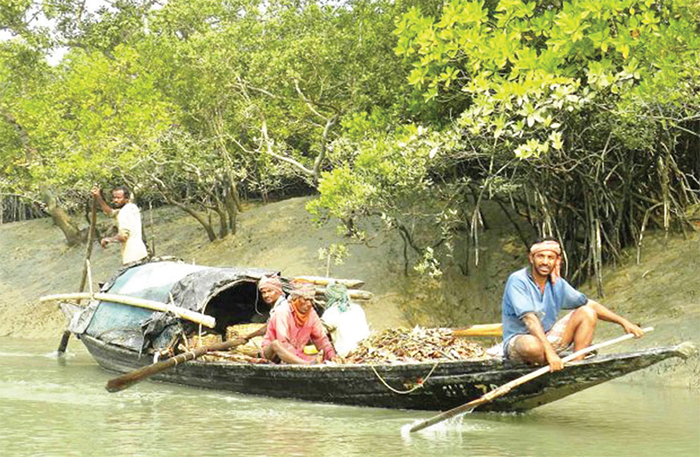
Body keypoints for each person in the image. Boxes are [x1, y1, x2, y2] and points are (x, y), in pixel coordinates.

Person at [502, 237, 644, 372]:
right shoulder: (518, 280)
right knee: (531, 346)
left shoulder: (557, 283)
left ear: (557, 261)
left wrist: (624, 323)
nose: (545, 262)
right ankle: (547, 361)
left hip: (548, 338)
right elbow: (529, 320)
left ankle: (576, 363)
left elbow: (589, 304)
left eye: (550, 257)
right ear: (531, 258)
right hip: (521, 343)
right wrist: (550, 353)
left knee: (587, 312)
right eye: (540, 256)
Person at [262, 283, 337, 364]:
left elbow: (321, 339)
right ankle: (306, 364)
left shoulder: (311, 314)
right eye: (305, 300)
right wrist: (306, 359)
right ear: (295, 299)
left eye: (311, 300)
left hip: (296, 355)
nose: (309, 304)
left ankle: (305, 362)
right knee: (276, 344)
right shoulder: (283, 311)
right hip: (274, 354)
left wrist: (332, 356)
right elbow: (283, 341)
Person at [91, 185, 148, 265]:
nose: (115, 200)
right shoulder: (132, 207)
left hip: (132, 257)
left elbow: (123, 236)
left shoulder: (124, 212)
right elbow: (110, 212)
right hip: (142, 253)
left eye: (118, 198)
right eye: (114, 198)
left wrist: (109, 239)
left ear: (126, 198)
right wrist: (98, 197)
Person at [321, 282, 370, 357]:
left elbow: (319, 333)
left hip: (347, 353)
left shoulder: (332, 312)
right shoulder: (357, 308)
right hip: (365, 349)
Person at [243, 275, 289, 340]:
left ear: (278, 291)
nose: (266, 295)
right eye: (263, 292)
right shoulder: (276, 307)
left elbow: (268, 327)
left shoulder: (282, 307)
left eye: (270, 291)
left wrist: (248, 336)